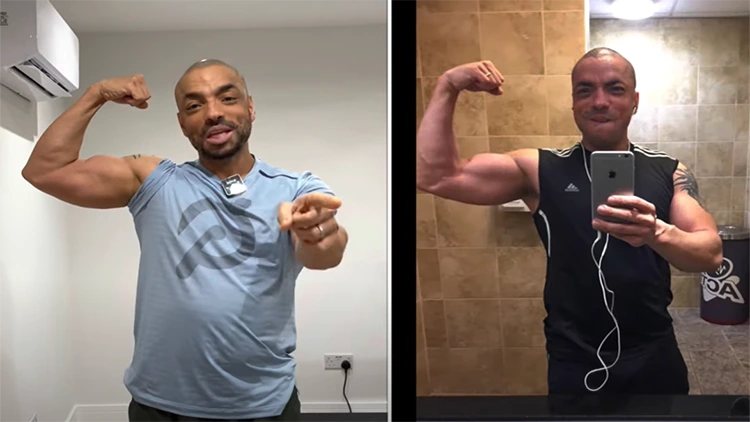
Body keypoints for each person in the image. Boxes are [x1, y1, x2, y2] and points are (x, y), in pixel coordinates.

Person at [22, 59, 349, 421]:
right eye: (194, 106)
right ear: (181, 123)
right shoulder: (153, 180)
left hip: (262, 405)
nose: (212, 113)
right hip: (161, 406)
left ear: (250, 108)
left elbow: (325, 254)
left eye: (227, 98)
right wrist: (96, 94)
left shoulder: (296, 188)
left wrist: (317, 233)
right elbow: (44, 170)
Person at [416, 47, 722, 395]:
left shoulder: (669, 171)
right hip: (574, 357)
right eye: (585, 90)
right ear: (573, 103)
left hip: (653, 352)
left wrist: (657, 233)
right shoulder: (540, 169)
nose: (599, 101)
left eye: (615, 88)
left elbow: (710, 253)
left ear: (635, 100)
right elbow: (434, 176)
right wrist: (446, 86)